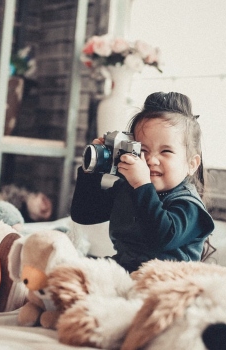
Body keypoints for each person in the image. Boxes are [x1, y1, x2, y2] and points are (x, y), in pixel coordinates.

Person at [70, 91, 215, 273]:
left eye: (166, 152)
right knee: (70, 273)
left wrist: (142, 186)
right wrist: (92, 171)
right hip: (126, 269)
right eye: (143, 150)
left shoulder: (189, 206)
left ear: (191, 164)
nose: (151, 160)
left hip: (167, 280)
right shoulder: (129, 188)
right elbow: (84, 214)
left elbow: (160, 237)